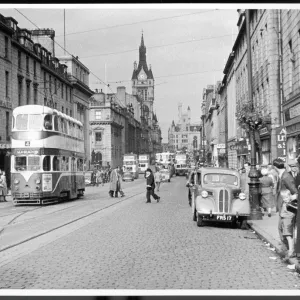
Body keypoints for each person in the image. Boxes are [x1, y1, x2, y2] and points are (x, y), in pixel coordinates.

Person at [273, 158, 298, 249]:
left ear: (275, 167)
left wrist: (290, 198)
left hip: (286, 207)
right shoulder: (282, 175)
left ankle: (287, 247)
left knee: (284, 228)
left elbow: (294, 191)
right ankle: (286, 246)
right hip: (282, 206)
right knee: (281, 227)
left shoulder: (286, 176)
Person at [279, 189, 296, 259]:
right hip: (285, 222)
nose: (285, 199)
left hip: (288, 222)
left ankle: (291, 250)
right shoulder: (285, 203)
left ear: (290, 196)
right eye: (283, 198)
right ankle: (290, 249)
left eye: (286, 197)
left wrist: (283, 215)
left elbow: (292, 214)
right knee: (287, 236)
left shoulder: (290, 204)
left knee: (289, 236)